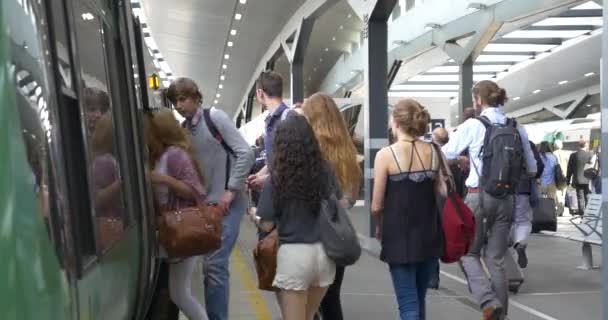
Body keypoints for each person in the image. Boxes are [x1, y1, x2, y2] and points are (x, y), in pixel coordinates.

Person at [442, 80, 536, 320]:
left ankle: (487, 301)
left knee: (468, 253)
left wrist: (462, 161)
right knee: (495, 259)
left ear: (478, 100)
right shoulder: (517, 127)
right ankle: (500, 315)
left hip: (478, 197)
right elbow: (532, 167)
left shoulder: (473, 125)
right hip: (506, 199)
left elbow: (445, 153)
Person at [168, 78, 254, 320]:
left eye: (183, 99)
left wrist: (231, 190)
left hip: (228, 205)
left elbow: (245, 153)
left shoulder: (214, 118)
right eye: (175, 101)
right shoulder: (185, 131)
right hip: (205, 209)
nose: (179, 105)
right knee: (207, 267)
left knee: (214, 265)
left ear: (196, 97)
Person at [257, 115, 339, 320]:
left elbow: (267, 225)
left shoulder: (276, 177)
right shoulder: (326, 170)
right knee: (309, 316)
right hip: (324, 255)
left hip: (294, 255)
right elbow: (338, 203)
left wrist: (253, 216)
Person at [371, 99, 443, 320]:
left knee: (407, 305)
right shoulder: (433, 151)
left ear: (396, 122)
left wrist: (379, 225)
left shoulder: (386, 155)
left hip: (399, 237)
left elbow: (376, 205)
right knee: (419, 300)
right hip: (429, 235)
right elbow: (442, 192)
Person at [143, 110, 209, 320]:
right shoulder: (159, 155)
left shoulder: (174, 155)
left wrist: (161, 179)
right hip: (171, 229)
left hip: (182, 229)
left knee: (180, 294)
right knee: (178, 292)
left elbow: (196, 190)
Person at [301, 93, 361, 320]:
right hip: (337, 234)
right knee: (331, 298)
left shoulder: (309, 149)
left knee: (306, 301)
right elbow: (352, 198)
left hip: (309, 234)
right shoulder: (349, 151)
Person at [247, 71, 294, 192]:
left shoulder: (288, 118)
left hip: (288, 194)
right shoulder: (271, 121)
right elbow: (274, 162)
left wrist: (265, 180)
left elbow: (291, 164)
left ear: (259, 93)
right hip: (278, 191)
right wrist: (259, 175)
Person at [512, 141, 544, 269]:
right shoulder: (527, 143)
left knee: (504, 222)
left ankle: (507, 252)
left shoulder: (494, 136)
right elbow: (539, 166)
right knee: (523, 221)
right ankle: (520, 242)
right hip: (522, 188)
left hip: (501, 190)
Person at [567, 140, 593, 215]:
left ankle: (582, 214)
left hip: (577, 179)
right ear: (586, 145)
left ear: (579, 146)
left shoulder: (573, 155)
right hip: (588, 179)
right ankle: (588, 213)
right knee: (587, 196)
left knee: (580, 197)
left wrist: (568, 180)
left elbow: (569, 169)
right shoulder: (589, 155)